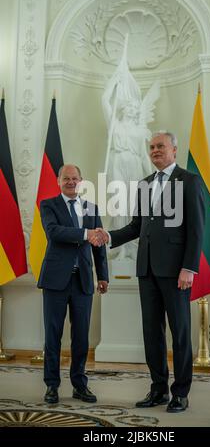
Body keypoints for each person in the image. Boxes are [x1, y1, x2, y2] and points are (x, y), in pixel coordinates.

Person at [95, 131, 205, 412]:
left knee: (179, 332)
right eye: (152, 147)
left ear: (174, 150)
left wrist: (189, 268)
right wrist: (109, 235)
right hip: (146, 269)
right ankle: (159, 390)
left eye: (161, 146)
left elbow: (196, 229)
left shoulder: (188, 181)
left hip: (176, 272)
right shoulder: (144, 184)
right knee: (151, 333)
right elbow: (136, 226)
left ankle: (181, 392)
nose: (155, 150)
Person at [38, 164, 108, 404]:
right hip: (55, 281)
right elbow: (54, 232)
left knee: (81, 337)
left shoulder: (92, 208)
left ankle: (79, 385)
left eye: (74, 178)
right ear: (58, 181)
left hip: (83, 282)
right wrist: (84, 234)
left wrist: (103, 275)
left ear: (82, 181)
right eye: (66, 178)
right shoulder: (48, 205)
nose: (70, 182)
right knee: (53, 335)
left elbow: (98, 244)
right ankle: (52, 386)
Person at [102, 38, 159, 260]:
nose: (134, 109)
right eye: (132, 106)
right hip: (118, 161)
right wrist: (114, 82)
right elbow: (104, 101)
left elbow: (145, 156)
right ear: (125, 107)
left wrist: (152, 179)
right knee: (118, 203)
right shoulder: (114, 125)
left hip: (135, 164)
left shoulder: (139, 132)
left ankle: (133, 245)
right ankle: (119, 246)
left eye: (137, 107)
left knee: (135, 205)